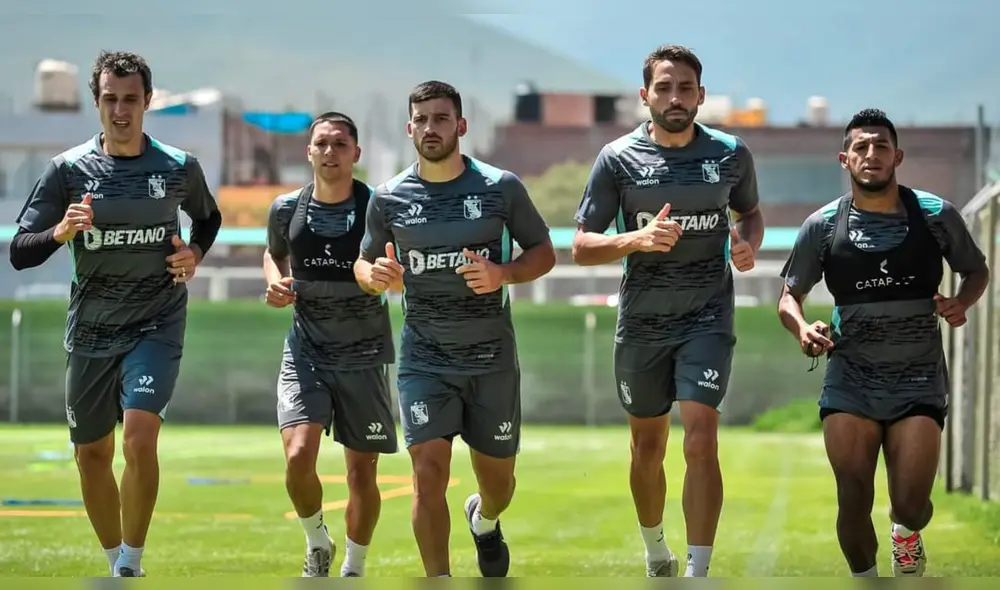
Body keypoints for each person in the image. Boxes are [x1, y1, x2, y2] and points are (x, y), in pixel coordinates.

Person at [8, 50, 222, 577]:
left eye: (131, 100)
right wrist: (61, 232)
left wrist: (194, 253)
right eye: (110, 99)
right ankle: (114, 563)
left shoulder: (178, 166)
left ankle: (131, 561)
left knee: (140, 437)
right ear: (96, 102)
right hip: (91, 330)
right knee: (91, 455)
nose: (120, 111)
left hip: (156, 322)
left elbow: (208, 218)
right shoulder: (67, 171)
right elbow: (20, 251)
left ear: (148, 101)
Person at [571, 44, 764, 578]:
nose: (674, 97)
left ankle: (699, 573)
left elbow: (750, 214)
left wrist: (747, 245)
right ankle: (657, 551)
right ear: (645, 95)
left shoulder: (731, 153)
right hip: (642, 324)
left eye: (685, 88)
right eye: (664, 87)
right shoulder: (617, 158)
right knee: (647, 448)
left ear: (701, 96)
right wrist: (636, 239)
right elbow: (582, 246)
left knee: (701, 439)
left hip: (707, 318)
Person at [353, 80, 555, 578]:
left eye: (441, 118)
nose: (431, 128)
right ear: (409, 129)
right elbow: (363, 264)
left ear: (460, 125)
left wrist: (503, 274)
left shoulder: (500, 187)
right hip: (425, 360)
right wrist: (375, 277)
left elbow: (544, 253)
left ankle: (484, 520)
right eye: (421, 119)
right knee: (427, 474)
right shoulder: (388, 198)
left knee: (499, 485)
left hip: (491, 360)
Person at [777, 108, 990, 577]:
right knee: (853, 497)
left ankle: (905, 534)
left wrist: (961, 302)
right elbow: (789, 297)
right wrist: (803, 329)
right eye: (861, 147)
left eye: (881, 146)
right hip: (851, 378)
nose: (871, 154)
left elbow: (976, 270)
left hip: (918, 378)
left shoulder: (935, 215)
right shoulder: (822, 225)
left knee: (911, 506)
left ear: (898, 156)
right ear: (844, 159)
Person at [263, 111, 398, 578]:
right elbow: (274, 253)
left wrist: (387, 277)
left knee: (361, 474)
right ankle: (317, 541)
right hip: (307, 351)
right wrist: (275, 281)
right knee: (298, 455)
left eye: (340, 144)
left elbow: (399, 265)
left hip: (364, 355)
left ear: (356, 153)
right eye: (321, 143)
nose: (330, 152)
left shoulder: (378, 207)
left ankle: (354, 569)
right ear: (309, 152)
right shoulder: (286, 208)